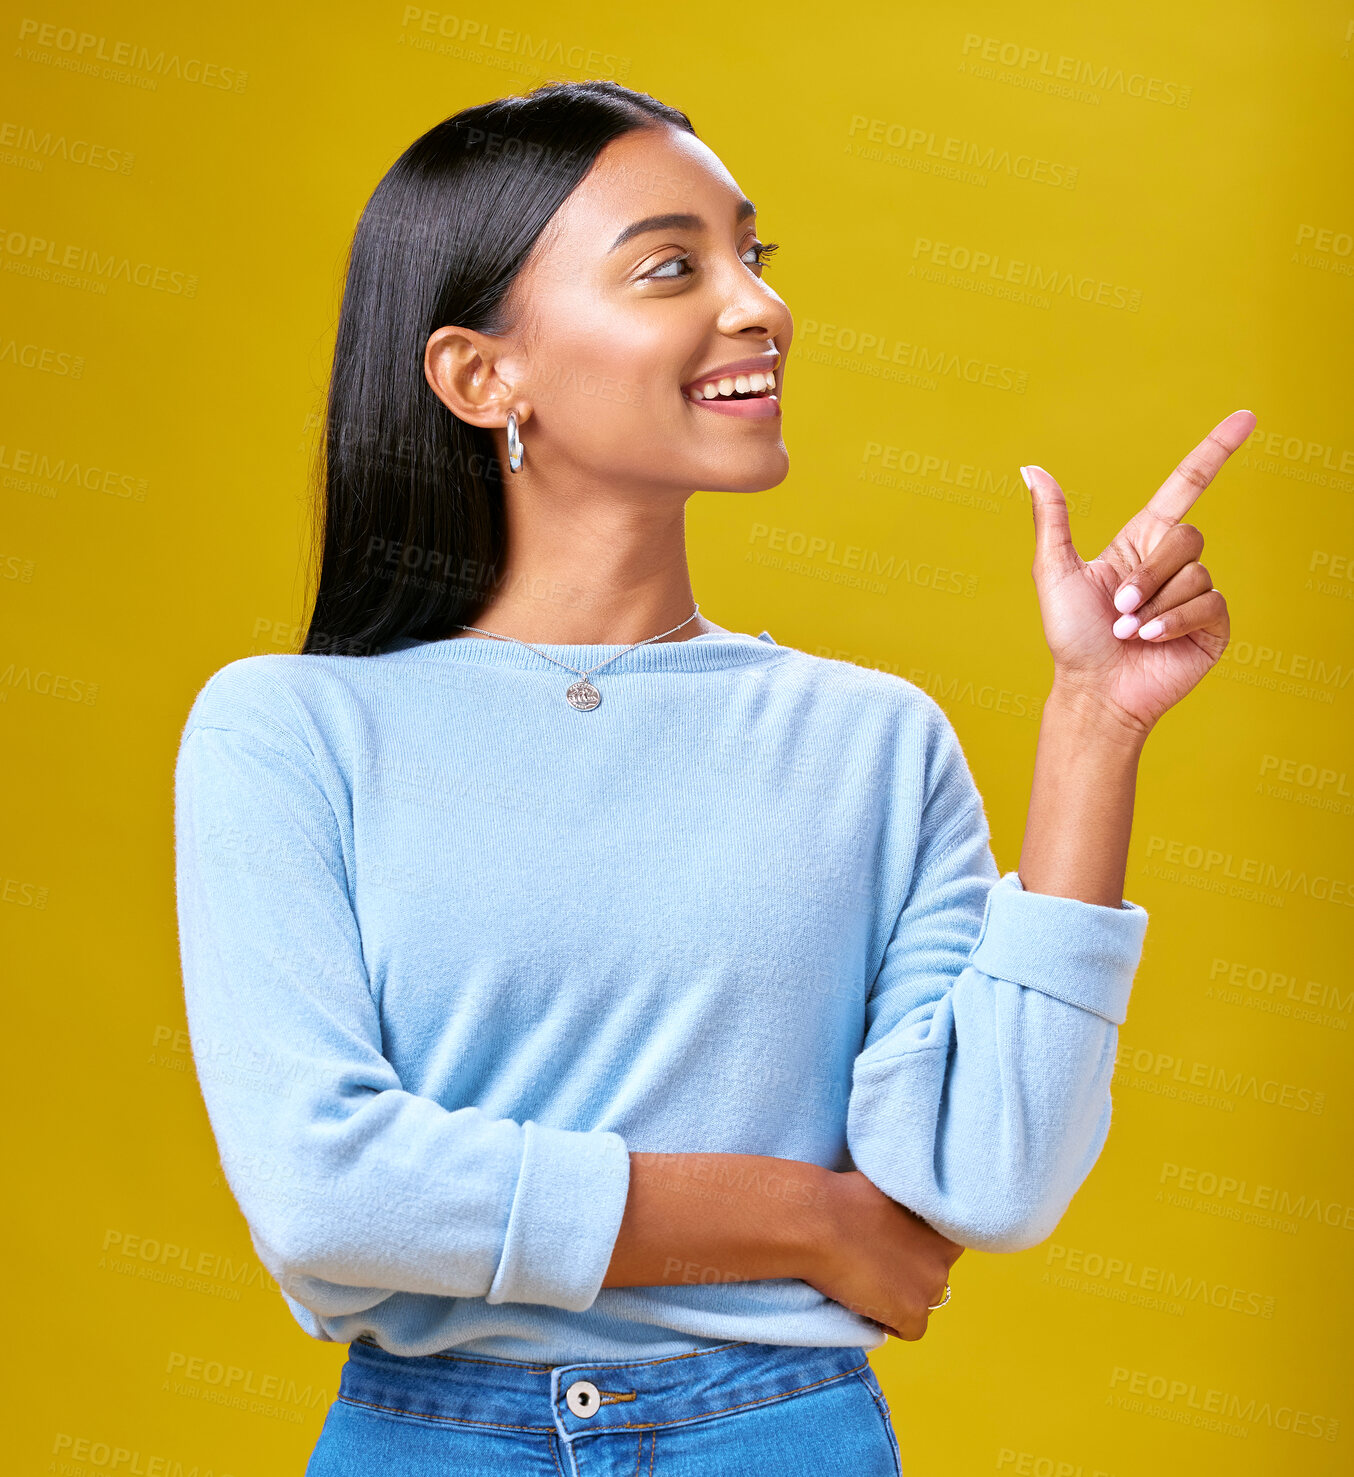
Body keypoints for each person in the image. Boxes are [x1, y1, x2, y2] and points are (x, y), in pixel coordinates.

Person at [173, 78, 1251, 1475]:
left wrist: (1093, 722)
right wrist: (791, 1214)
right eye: (673, 266)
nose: (756, 307)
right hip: (428, 1442)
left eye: (754, 256)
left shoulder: (872, 739)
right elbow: (326, 1189)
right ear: (477, 375)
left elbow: (983, 1172)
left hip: (779, 1438)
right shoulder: (288, 730)